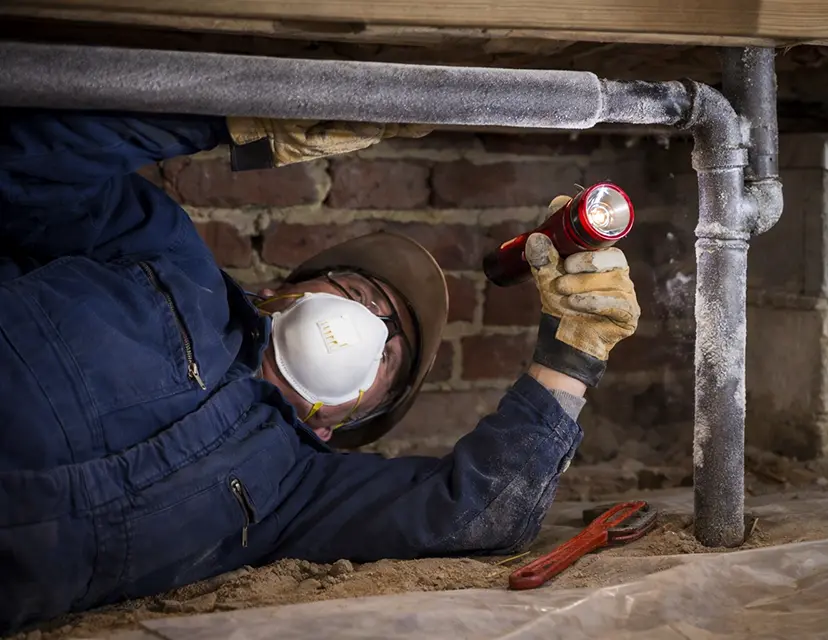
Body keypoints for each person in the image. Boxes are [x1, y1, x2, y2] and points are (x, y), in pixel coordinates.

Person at [0, 109, 642, 634]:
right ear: (284, 291)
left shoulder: (298, 495)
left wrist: (573, 352)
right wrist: (242, 116)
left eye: (391, 350)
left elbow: (482, 513)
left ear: (350, 420)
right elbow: (28, 163)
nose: (374, 325)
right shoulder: (164, 256)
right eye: (361, 293)